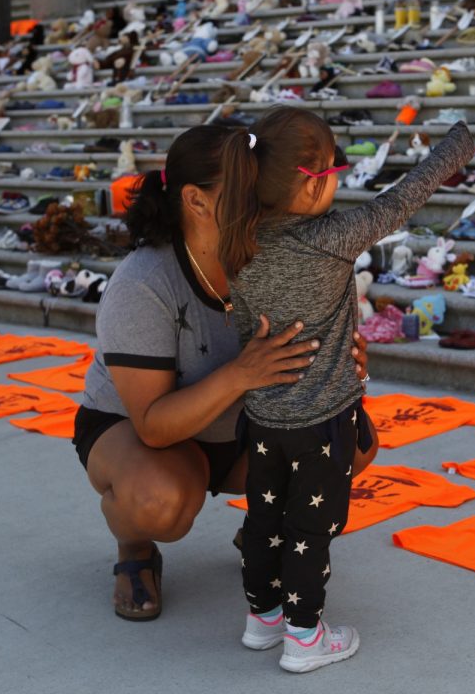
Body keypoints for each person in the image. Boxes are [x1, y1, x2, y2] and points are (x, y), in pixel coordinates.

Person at [75, 123, 376, 623]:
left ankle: (266, 528)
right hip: (143, 435)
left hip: (240, 429)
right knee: (160, 501)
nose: (263, 201)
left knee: (353, 441)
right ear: (195, 201)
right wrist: (241, 373)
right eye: (244, 190)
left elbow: (312, 360)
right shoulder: (144, 282)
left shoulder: (282, 251)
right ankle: (133, 544)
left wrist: (342, 367)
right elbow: (152, 424)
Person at [216, 108, 473, 673]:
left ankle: (263, 618)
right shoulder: (331, 240)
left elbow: (241, 327)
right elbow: (402, 200)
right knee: (309, 529)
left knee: (263, 519)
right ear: (312, 182)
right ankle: (304, 636)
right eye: (334, 172)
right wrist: (459, 146)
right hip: (321, 423)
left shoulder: (237, 240)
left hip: (261, 419)